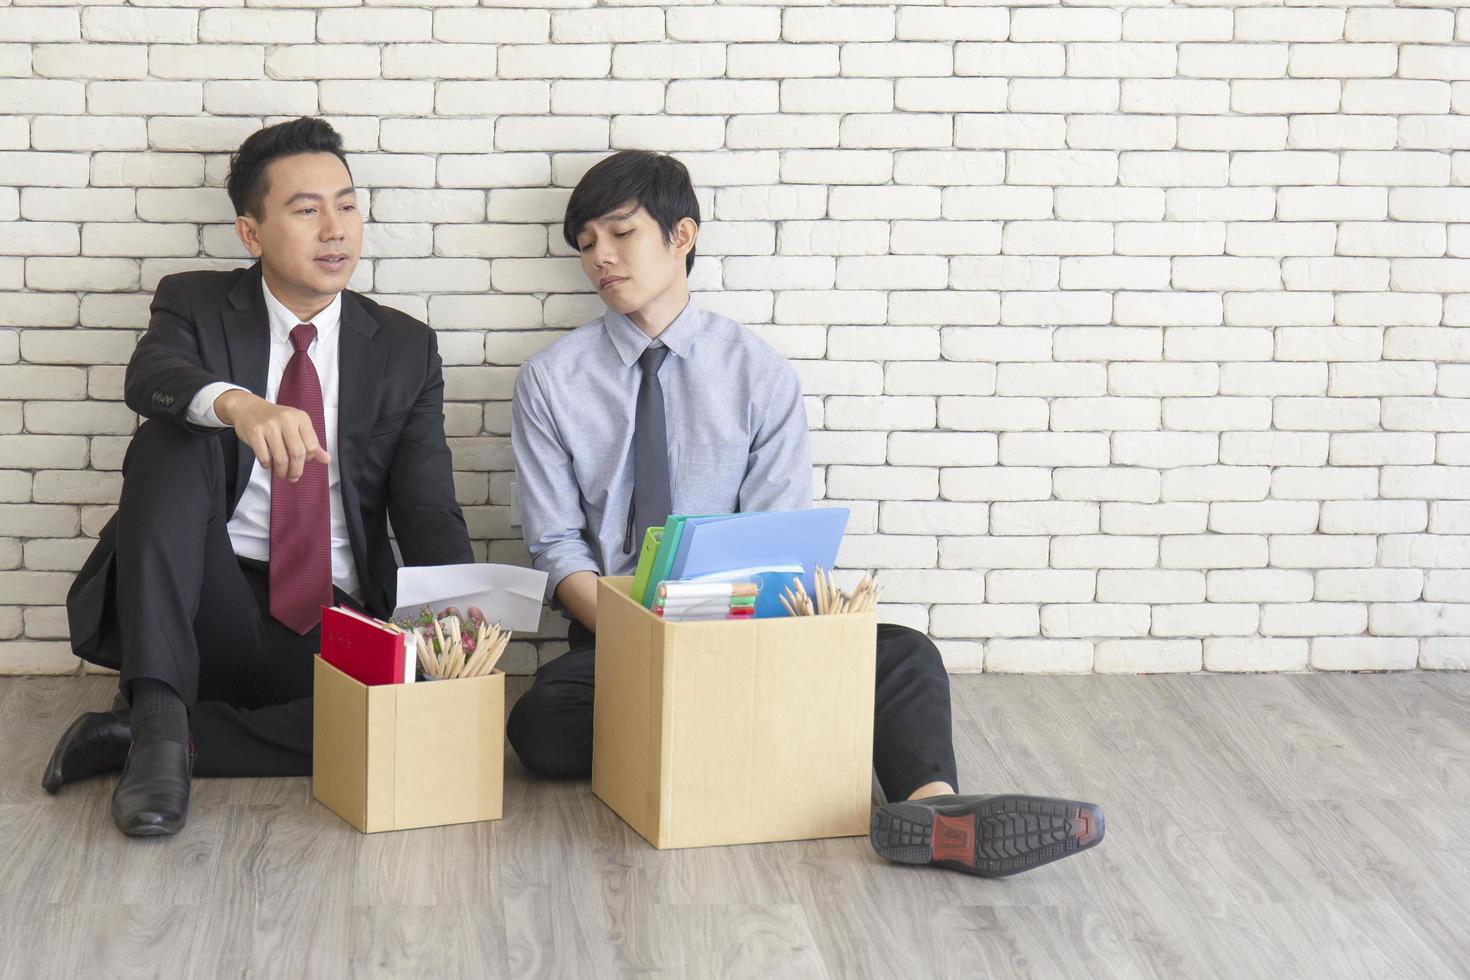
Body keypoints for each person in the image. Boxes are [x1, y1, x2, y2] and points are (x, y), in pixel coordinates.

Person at [508, 150, 1105, 877]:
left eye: (619, 234)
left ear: (682, 236)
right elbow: (557, 546)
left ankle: (937, 810)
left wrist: (733, 637)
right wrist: (639, 634)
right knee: (541, 725)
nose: (600, 257)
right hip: (619, 641)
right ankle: (777, 732)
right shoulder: (550, 380)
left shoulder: (759, 373)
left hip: (748, 631)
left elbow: (776, 538)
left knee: (904, 655)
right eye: (585, 245)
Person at [44, 117, 472, 837]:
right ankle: (156, 711)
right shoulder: (197, 301)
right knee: (172, 439)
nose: (334, 229)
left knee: (426, 705)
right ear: (252, 233)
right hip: (203, 605)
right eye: (306, 210)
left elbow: (427, 506)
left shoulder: (404, 347)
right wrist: (238, 405)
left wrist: (459, 615)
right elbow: (152, 375)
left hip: (331, 617)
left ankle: (153, 738)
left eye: (347, 204)